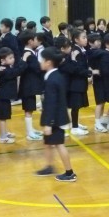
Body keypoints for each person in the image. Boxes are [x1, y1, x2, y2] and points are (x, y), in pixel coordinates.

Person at [35, 47, 76, 182]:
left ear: (48, 62)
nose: (40, 62)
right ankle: (49, 166)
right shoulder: (55, 76)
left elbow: (52, 103)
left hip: (55, 119)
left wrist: (49, 123)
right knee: (47, 143)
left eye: (42, 60)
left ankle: (69, 173)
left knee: (59, 144)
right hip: (54, 116)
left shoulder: (53, 79)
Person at [0, 47, 24, 144]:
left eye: (13, 57)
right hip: (2, 97)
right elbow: (16, 72)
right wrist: (23, 62)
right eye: (10, 58)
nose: (13, 59)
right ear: (3, 60)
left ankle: (5, 132)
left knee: (5, 116)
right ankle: (2, 137)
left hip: (5, 97)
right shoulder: (3, 69)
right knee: (2, 118)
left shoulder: (8, 67)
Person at [65, 29, 92, 136]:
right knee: (75, 105)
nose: (86, 39)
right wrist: (90, 72)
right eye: (83, 38)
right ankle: (74, 127)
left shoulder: (81, 49)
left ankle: (75, 123)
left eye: (86, 37)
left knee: (78, 105)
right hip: (75, 83)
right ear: (76, 39)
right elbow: (77, 69)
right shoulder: (75, 51)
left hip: (80, 82)